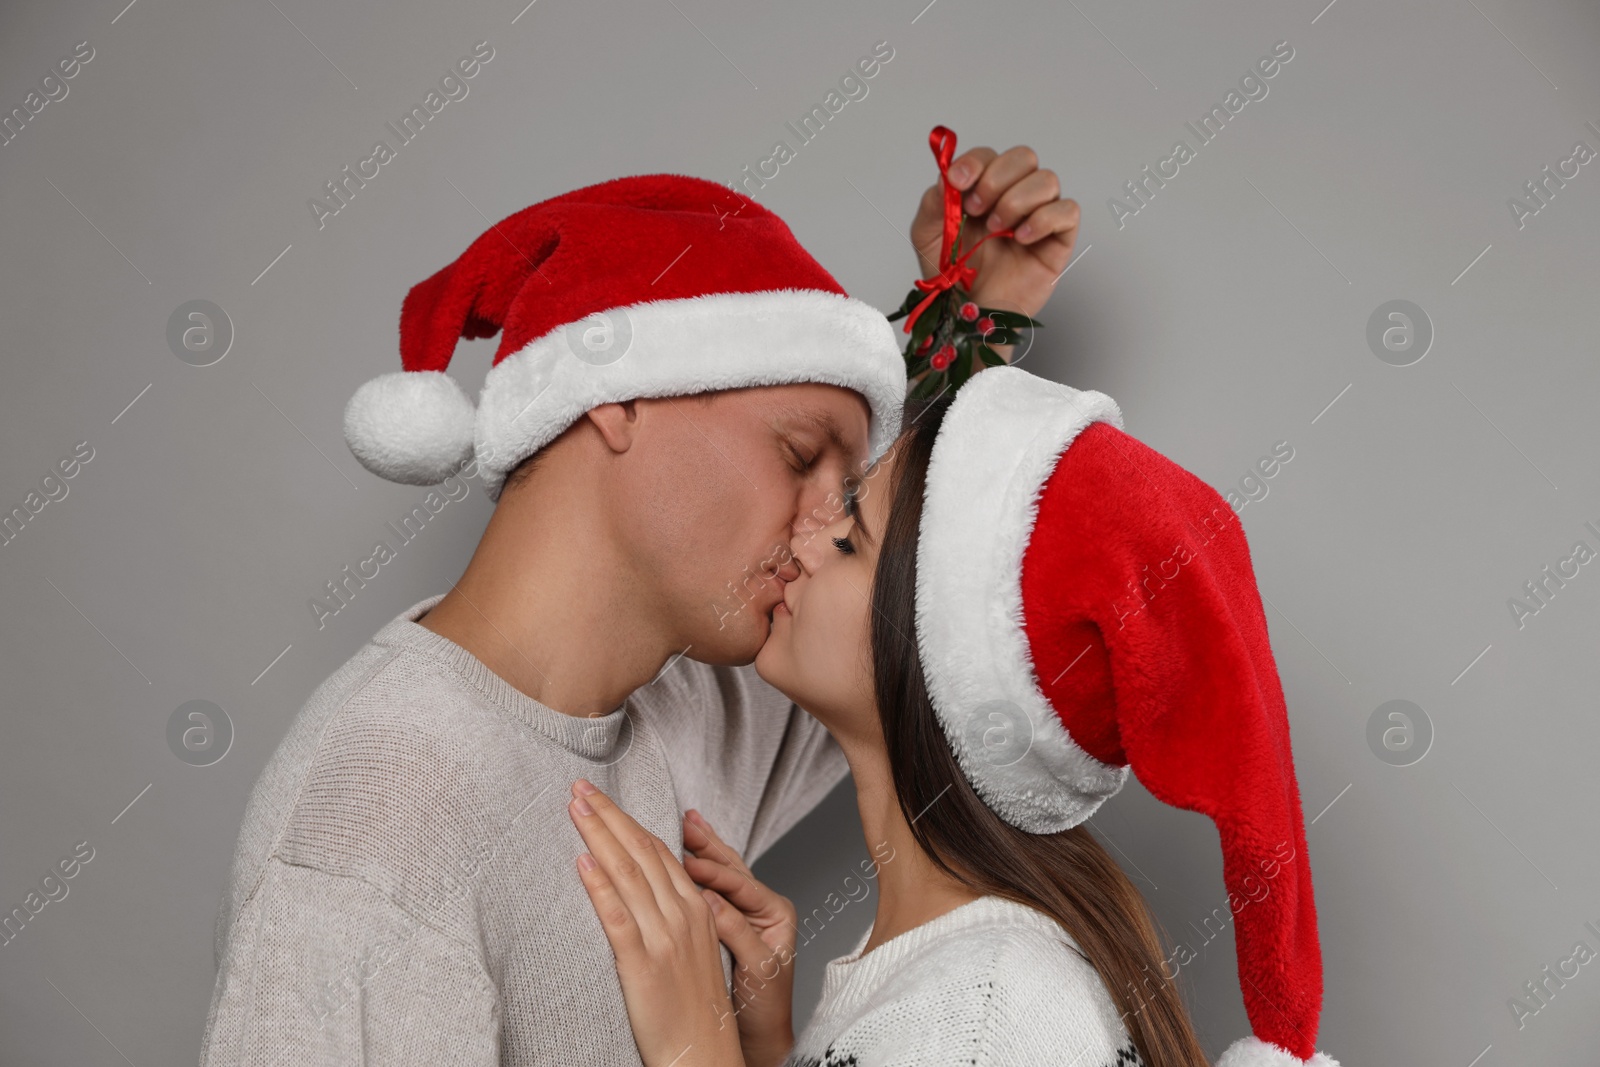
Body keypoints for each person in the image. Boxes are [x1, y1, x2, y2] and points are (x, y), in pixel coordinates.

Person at [198, 142, 1083, 1066]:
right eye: (797, 456)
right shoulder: (374, 822)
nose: (828, 526)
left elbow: (876, 624)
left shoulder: (689, 703)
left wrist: (976, 319)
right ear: (617, 394)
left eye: (849, 489)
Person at [567, 367, 1342, 1067]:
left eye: (848, 538)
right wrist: (770, 1047)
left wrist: (694, 1053)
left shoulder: (988, 1010)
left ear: (940, 651)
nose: (802, 538)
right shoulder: (957, 978)